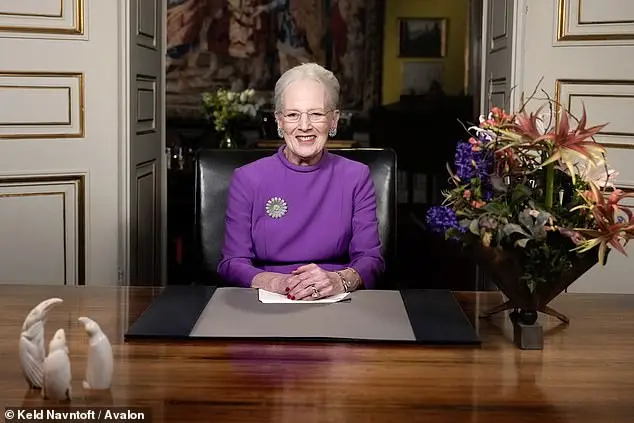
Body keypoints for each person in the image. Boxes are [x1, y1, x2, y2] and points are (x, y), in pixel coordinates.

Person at [217, 62, 384, 300]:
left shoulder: (356, 176)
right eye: (293, 115)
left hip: (336, 300)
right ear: (279, 121)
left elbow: (371, 260)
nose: (304, 126)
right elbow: (232, 263)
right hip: (266, 299)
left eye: (316, 114)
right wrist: (281, 283)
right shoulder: (247, 178)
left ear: (334, 120)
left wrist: (337, 281)